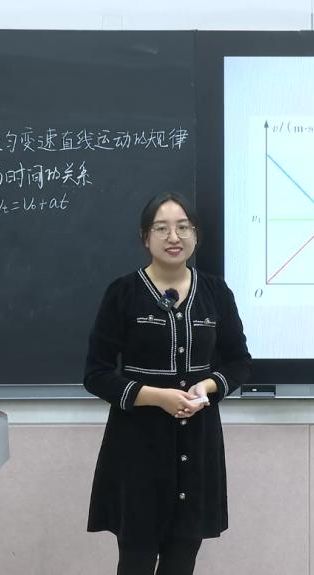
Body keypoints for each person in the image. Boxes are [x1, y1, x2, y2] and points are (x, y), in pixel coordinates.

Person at [83, 192, 251, 575]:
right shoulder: (123, 293)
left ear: (196, 235)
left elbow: (239, 362)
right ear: (145, 237)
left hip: (197, 444)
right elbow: (96, 373)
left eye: (183, 227)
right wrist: (156, 397)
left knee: (182, 560)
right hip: (137, 447)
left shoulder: (216, 293)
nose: (174, 237)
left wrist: (207, 388)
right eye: (162, 228)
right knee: (136, 560)